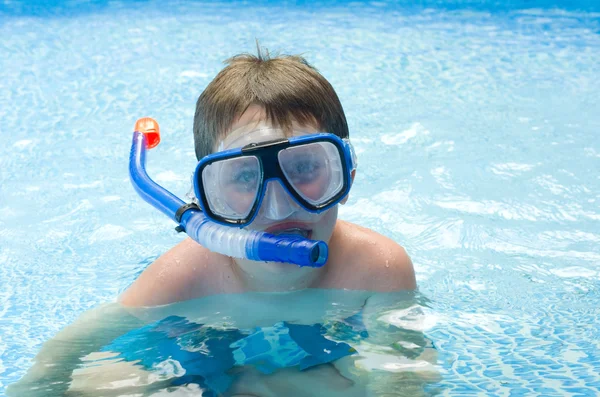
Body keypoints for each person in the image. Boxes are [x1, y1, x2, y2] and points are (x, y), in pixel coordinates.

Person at [119, 50, 416, 307]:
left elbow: (403, 369)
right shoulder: (184, 278)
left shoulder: (377, 270)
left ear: (346, 177)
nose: (279, 207)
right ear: (210, 200)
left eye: (302, 168)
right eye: (246, 176)